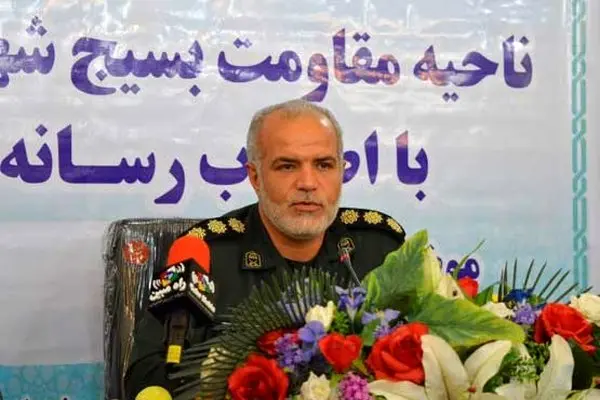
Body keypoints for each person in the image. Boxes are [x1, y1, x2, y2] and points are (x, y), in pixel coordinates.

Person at [124, 99, 407, 399]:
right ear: (255, 177)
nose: (308, 183)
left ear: (341, 171)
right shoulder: (204, 255)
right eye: (287, 166)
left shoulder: (381, 248)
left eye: (324, 165)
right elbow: (146, 376)